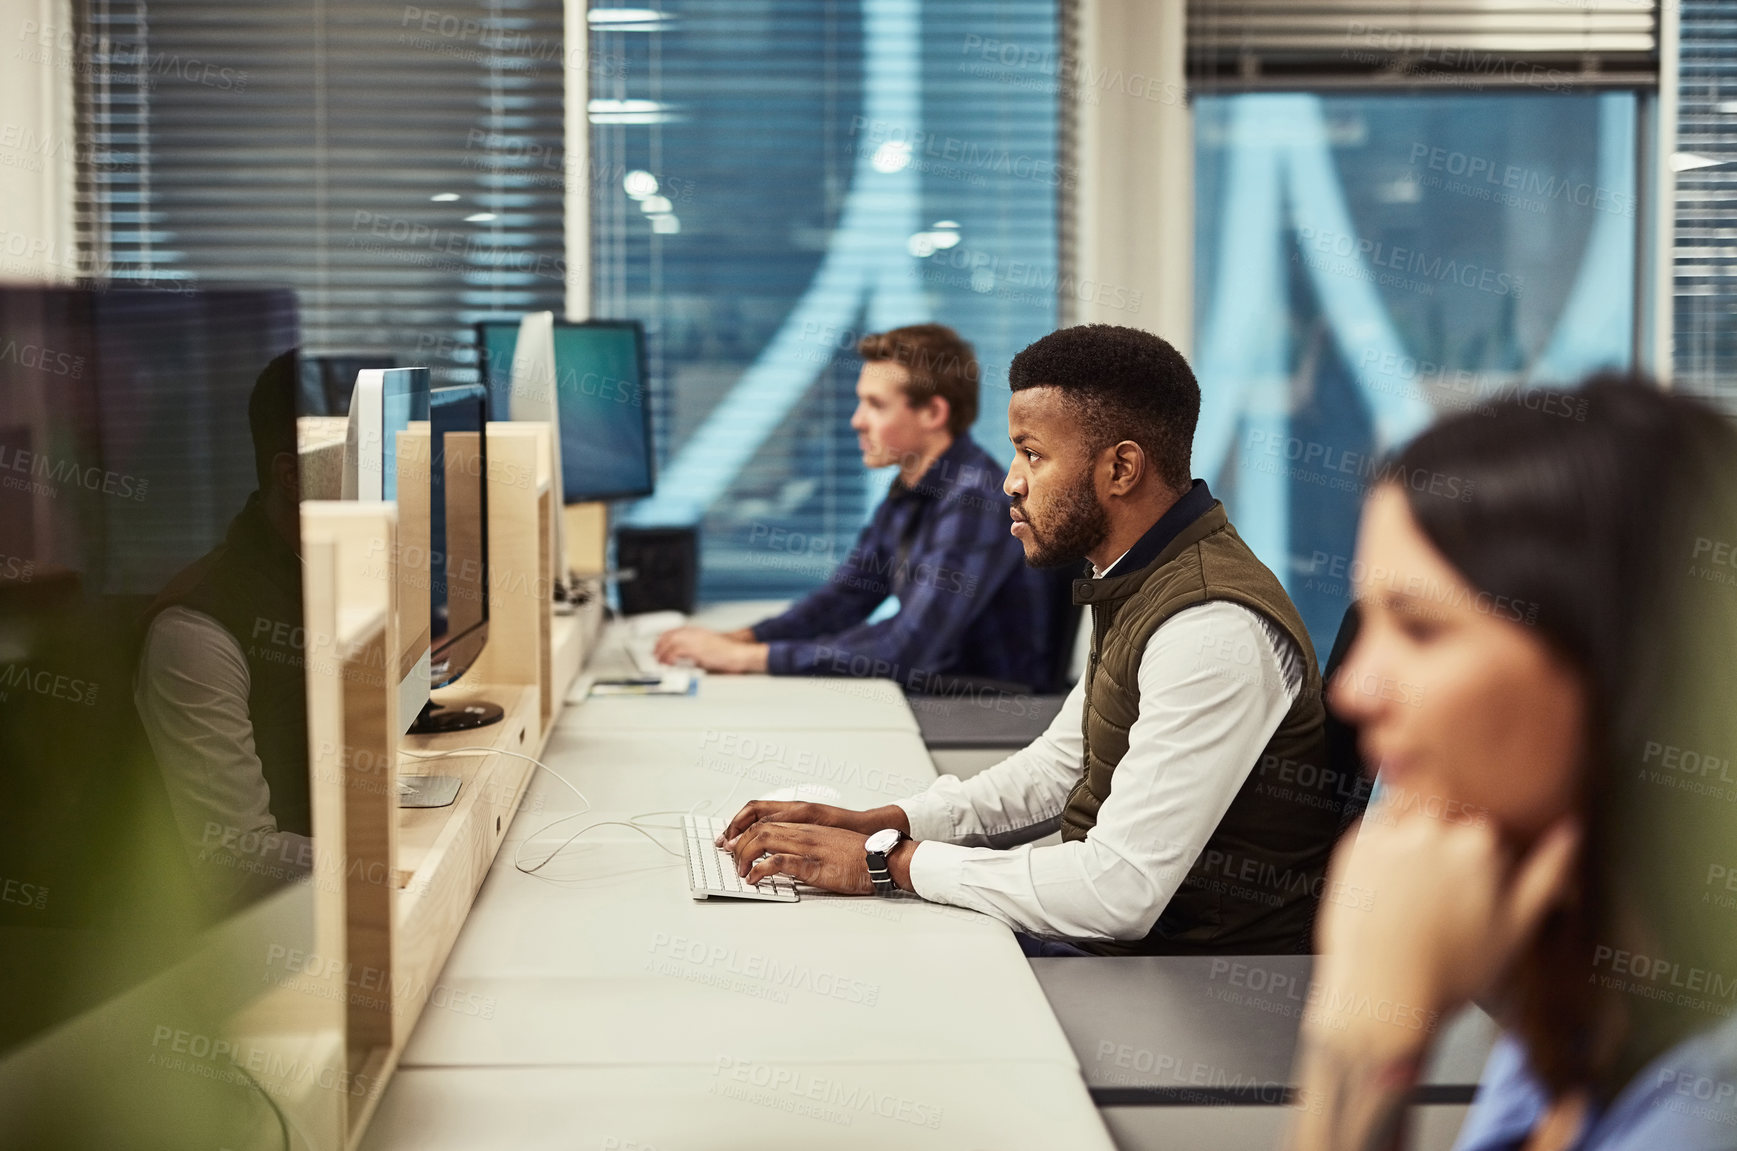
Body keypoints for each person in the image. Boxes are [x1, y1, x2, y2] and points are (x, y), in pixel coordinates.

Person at [719, 324, 1350, 956]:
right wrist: (886, 824)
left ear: (1121, 468)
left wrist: (890, 863)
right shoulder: (1135, 575)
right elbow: (1058, 770)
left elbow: (1118, 892)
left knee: (837, 955)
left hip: (1181, 973)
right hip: (1124, 946)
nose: (1011, 481)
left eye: (1033, 455)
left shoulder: (1211, 626)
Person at [1287, 376, 1737, 1149]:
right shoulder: (1570, 995)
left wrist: (1360, 1038)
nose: (1352, 689)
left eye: (1421, 628)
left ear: (1628, 669)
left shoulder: (1705, 1106)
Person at [653, 324, 1058, 692]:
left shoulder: (976, 500)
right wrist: (740, 640)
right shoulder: (913, 487)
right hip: (933, 693)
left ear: (933, 413)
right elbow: (844, 599)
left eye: (875, 405)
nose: (856, 421)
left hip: (986, 714)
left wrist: (747, 660)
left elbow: (905, 646)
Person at [134, 350, 312, 907]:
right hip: (260, 950)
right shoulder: (195, 630)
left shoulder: (338, 571)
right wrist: (394, 858)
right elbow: (237, 858)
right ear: (293, 475)